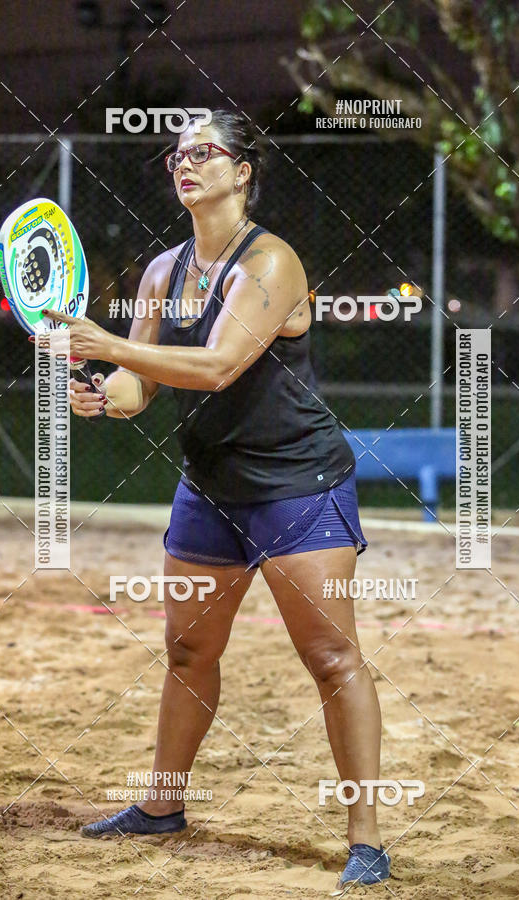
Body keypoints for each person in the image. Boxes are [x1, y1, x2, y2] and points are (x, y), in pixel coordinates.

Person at [44, 109, 390, 890]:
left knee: (332, 657)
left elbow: (217, 365)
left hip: (297, 484)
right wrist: (109, 392)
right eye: (178, 153)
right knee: (189, 651)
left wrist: (106, 345)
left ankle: (365, 837)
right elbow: (148, 377)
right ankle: (164, 806)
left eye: (206, 152)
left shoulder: (271, 264)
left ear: (243, 172)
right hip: (209, 484)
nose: (186, 163)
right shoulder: (164, 270)